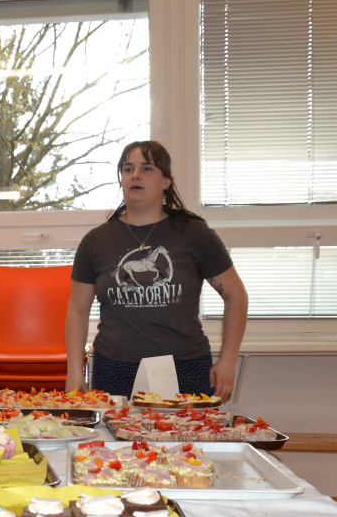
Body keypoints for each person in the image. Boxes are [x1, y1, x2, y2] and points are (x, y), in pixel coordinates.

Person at [65, 140, 248, 399]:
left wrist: (228, 361)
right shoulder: (95, 241)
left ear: (166, 181)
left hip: (185, 368)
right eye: (128, 169)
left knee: (188, 429)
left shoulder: (194, 234)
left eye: (147, 168)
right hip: (115, 369)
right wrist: (75, 371)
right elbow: (77, 310)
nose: (135, 175)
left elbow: (235, 294)